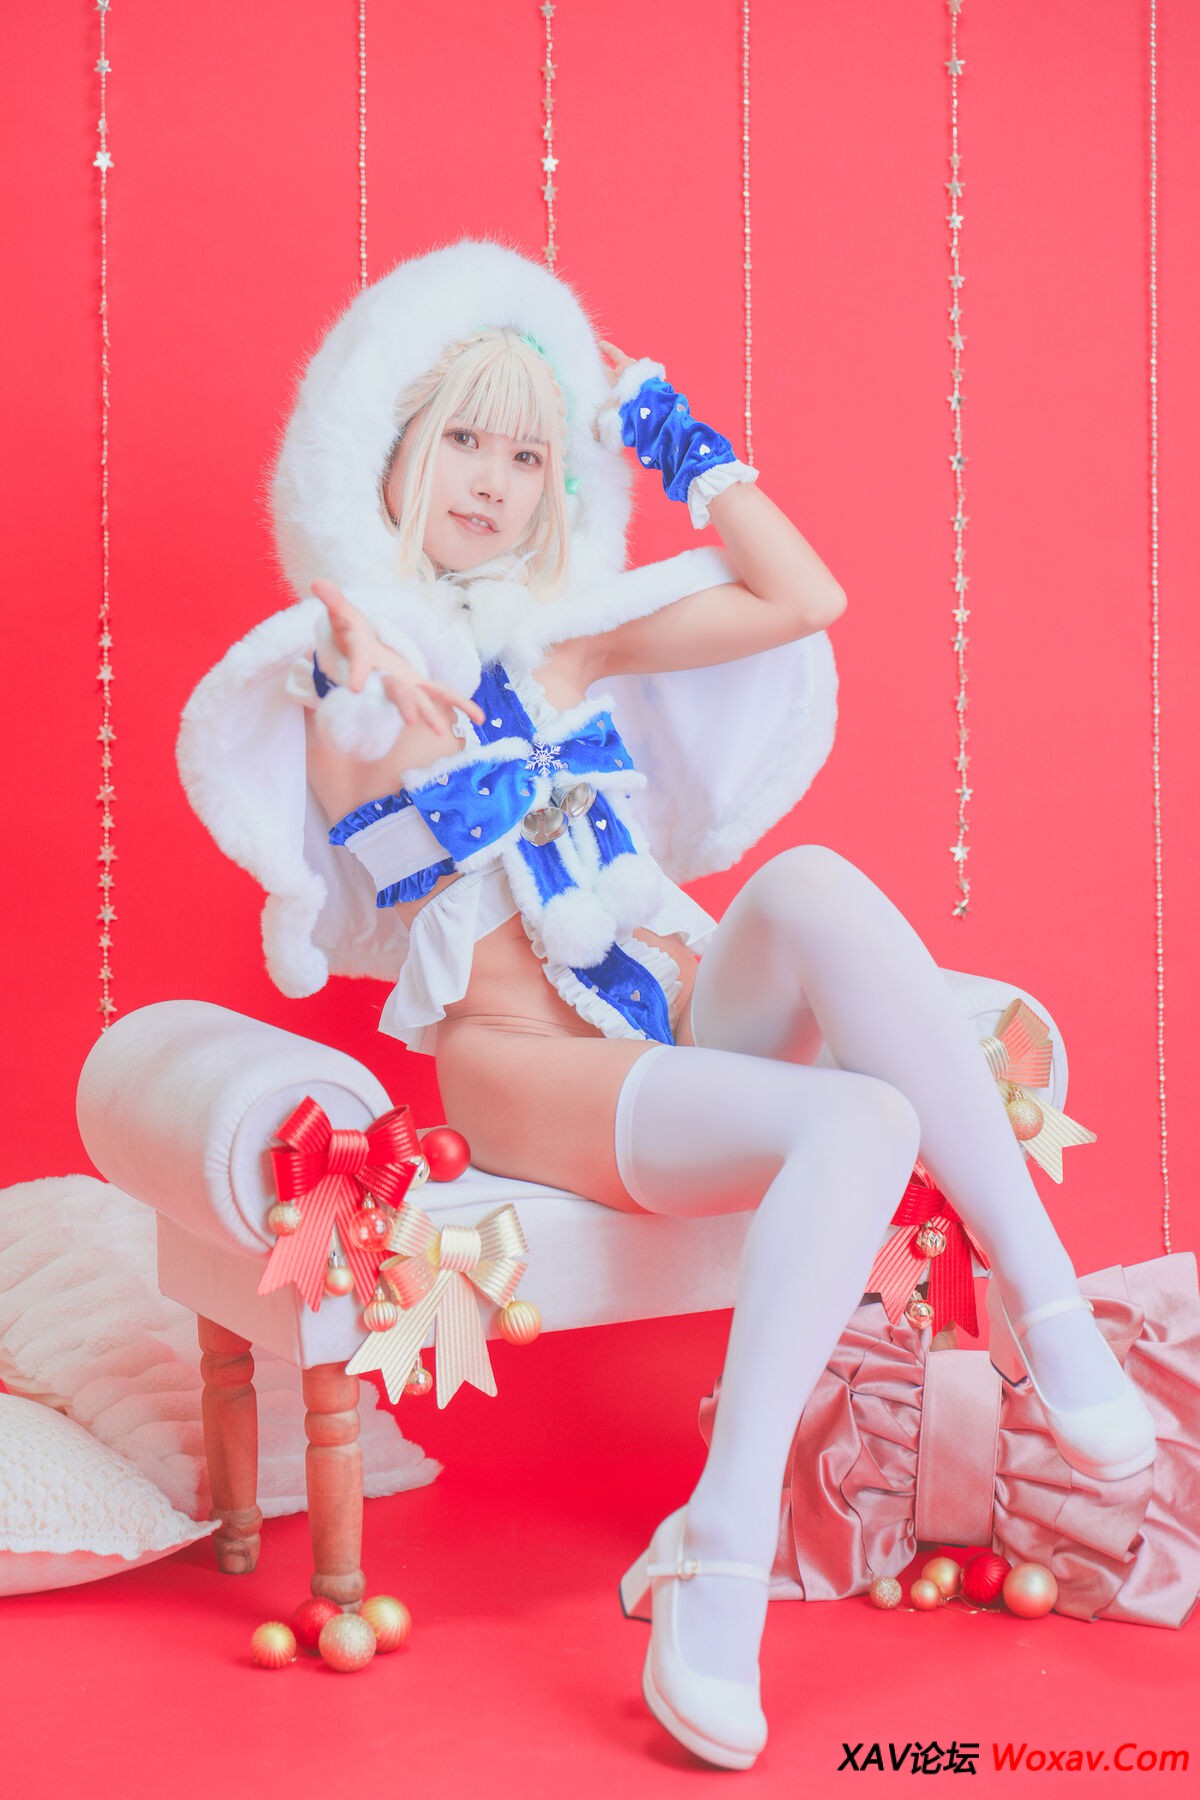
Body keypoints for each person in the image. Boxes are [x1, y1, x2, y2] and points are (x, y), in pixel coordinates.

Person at [178, 239, 1155, 1771]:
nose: (493, 480)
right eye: (463, 441)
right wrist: (348, 661)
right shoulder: (355, 671)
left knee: (815, 879)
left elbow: (805, 594)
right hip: (523, 1060)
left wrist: (668, 432)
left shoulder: (571, 643)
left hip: (675, 1017)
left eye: (527, 454)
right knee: (862, 1124)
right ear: (395, 454)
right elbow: (346, 742)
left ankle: (1049, 1296)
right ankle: (724, 1545)